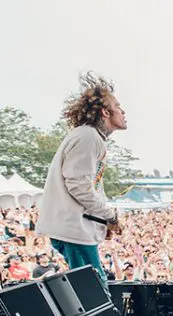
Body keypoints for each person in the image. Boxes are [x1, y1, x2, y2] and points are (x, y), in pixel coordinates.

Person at [35, 73, 127, 282]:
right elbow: (79, 186)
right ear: (105, 112)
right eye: (118, 106)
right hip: (73, 229)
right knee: (95, 287)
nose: (123, 111)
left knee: (92, 286)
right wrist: (109, 215)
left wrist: (104, 220)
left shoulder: (90, 137)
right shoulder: (88, 137)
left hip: (76, 228)